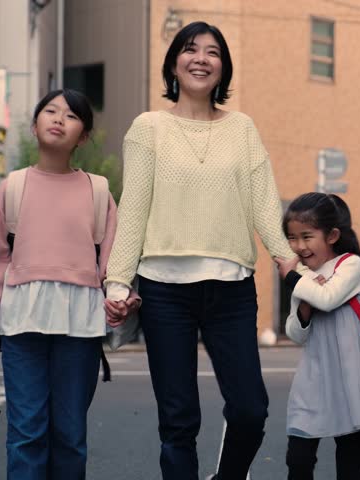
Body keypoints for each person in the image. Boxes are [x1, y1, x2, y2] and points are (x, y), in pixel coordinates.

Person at [103, 21, 297, 480]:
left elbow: (263, 202)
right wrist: (117, 281)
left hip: (231, 289)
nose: (201, 59)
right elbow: (134, 206)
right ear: (174, 63)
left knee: (250, 409)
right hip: (164, 291)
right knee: (178, 421)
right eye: (191, 49)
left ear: (223, 68)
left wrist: (288, 260)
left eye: (213, 52)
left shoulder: (242, 128)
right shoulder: (148, 128)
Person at [0, 89, 131, 479]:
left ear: (83, 136)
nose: (58, 119)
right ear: (35, 126)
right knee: (27, 433)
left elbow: (114, 263)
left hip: (80, 325)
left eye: (71, 115)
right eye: (50, 111)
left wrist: (122, 297)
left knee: (70, 435)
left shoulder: (98, 190)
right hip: (21, 326)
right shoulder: (13, 187)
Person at [274, 192, 360, 480]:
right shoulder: (304, 276)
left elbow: (327, 298)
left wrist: (292, 278)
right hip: (314, 379)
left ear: (332, 235)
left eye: (307, 236)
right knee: (298, 459)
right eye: (292, 238)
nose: (299, 246)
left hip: (352, 379)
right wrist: (304, 306)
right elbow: (296, 334)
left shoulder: (349, 265)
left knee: (351, 463)